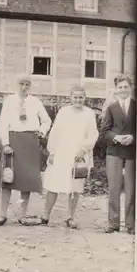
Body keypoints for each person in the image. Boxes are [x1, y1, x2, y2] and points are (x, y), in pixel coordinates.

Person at [0, 74, 51, 226]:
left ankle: (22, 214)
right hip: (13, 140)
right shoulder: (9, 101)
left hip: (30, 142)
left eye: (27, 84)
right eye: (21, 83)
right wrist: (5, 143)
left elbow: (47, 120)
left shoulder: (35, 101)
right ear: (16, 84)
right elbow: (3, 124)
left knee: (26, 180)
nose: (24, 87)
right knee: (8, 178)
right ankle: (2, 214)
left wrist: (41, 131)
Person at [41, 85, 99, 228]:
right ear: (71, 98)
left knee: (75, 187)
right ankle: (46, 215)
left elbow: (93, 134)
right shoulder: (63, 112)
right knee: (53, 184)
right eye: (75, 97)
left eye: (81, 97)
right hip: (62, 152)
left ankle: (70, 217)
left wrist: (84, 149)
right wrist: (52, 152)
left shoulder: (89, 113)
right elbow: (55, 132)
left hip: (79, 155)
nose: (78, 100)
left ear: (85, 98)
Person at [101, 74, 136, 234]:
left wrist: (133, 137)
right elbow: (105, 131)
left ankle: (131, 225)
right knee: (114, 188)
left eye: (126, 87)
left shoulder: (136, 106)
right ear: (116, 89)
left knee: (131, 189)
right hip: (114, 151)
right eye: (120, 87)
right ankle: (113, 223)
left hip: (132, 152)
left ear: (131, 88)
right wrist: (116, 137)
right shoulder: (111, 108)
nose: (123, 90)